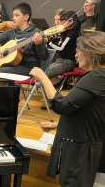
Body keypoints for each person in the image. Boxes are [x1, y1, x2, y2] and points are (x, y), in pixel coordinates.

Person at [29, 31, 105, 187]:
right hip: (82, 145)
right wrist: (58, 125)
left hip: (80, 149)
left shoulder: (97, 77)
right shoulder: (98, 76)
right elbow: (90, 111)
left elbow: (62, 105)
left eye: (78, 51)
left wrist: (44, 78)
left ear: (91, 52)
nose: (76, 56)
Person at [0, 2, 49, 75]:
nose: (13, 18)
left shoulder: (36, 33)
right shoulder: (12, 32)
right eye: (13, 15)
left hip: (29, 68)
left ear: (26, 17)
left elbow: (44, 57)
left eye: (17, 15)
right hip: (12, 65)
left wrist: (39, 44)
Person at [41, 11, 80, 109]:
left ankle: (52, 99)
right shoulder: (66, 32)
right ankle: (52, 94)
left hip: (68, 62)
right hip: (60, 60)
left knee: (45, 74)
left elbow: (60, 48)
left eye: (63, 21)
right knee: (42, 71)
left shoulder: (72, 34)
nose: (61, 23)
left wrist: (48, 41)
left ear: (71, 21)